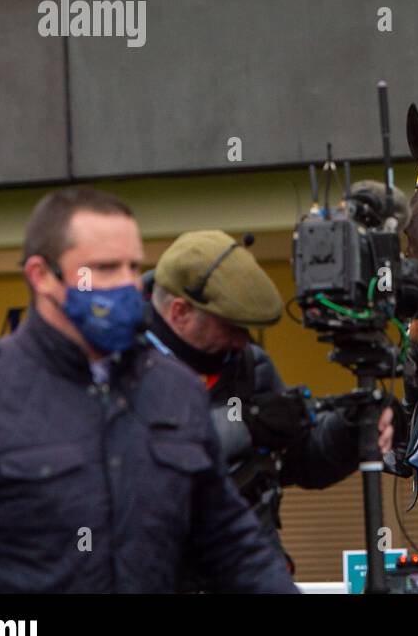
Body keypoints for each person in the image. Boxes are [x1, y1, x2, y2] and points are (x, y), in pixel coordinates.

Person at [0, 187, 296, 593]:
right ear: (41, 276)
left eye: (132, 267)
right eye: (103, 268)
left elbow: (233, 547)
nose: (127, 285)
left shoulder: (176, 391)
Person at [145, 225, 396, 581]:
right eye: (231, 327)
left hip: (247, 569)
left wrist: (351, 428)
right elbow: (130, 457)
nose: (241, 341)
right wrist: (245, 426)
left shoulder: (249, 365)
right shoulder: (116, 366)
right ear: (180, 313)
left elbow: (302, 461)